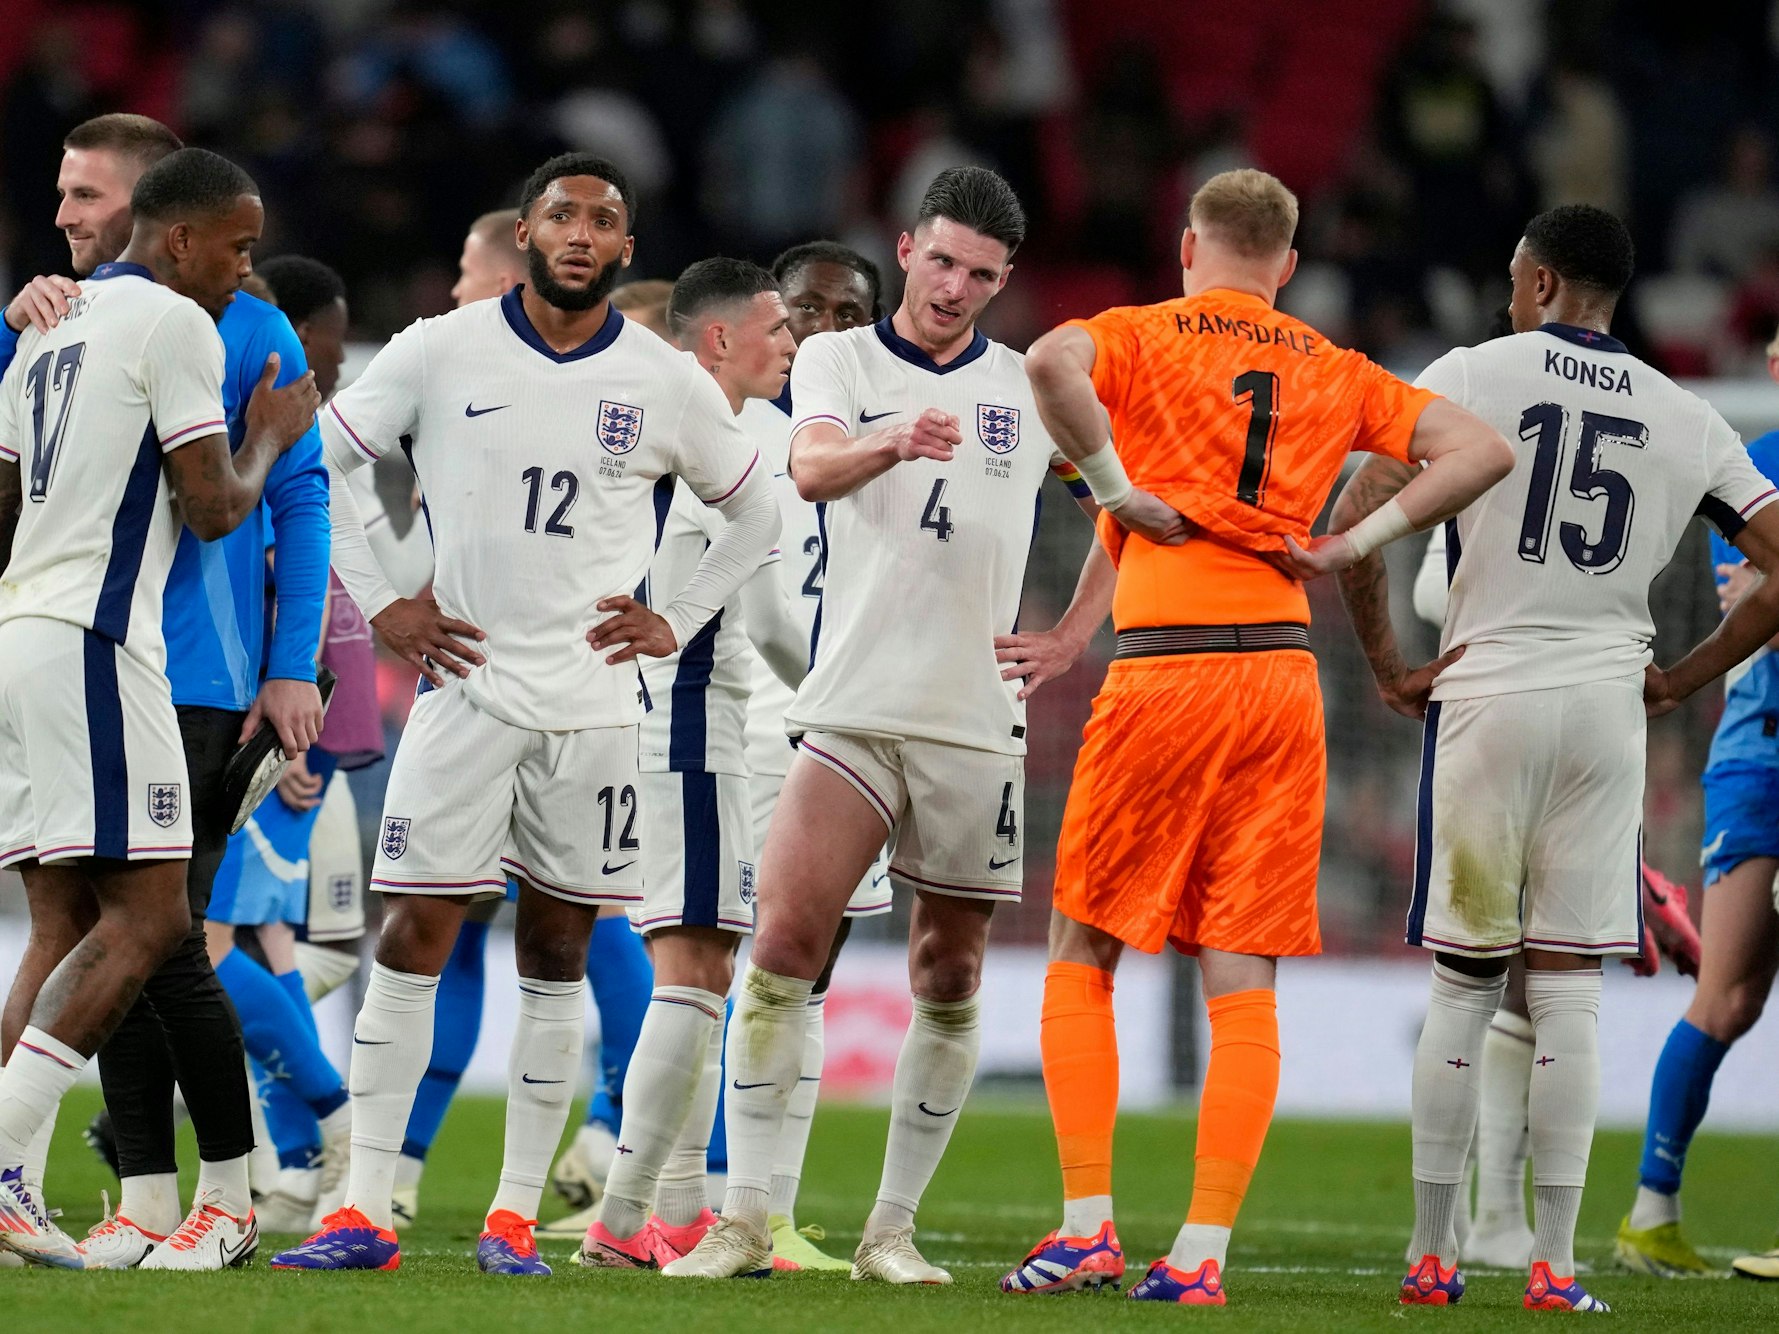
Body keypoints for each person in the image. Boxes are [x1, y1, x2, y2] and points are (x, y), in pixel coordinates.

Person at [1000, 167, 1513, 1307]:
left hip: (1166, 671)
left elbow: (1045, 364)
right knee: (1243, 973)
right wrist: (1347, 543)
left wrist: (1115, 486)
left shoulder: (1141, 332)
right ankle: (1201, 1254)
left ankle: (1086, 1229)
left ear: (1189, 247)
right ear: (1286, 264)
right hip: (1282, 679)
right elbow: (1482, 450)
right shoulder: (1334, 364)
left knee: (1083, 950)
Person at [270, 152, 779, 1277]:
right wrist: (382, 601)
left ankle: (509, 1218)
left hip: (595, 710)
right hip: (466, 691)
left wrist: (675, 617)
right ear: (529, 234)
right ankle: (363, 1210)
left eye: (603, 219)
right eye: (562, 215)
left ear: (626, 247)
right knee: (413, 932)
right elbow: (318, 459)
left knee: (558, 947)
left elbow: (756, 512)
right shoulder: (438, 349)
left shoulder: (661, 378)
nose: (581, 233)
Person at [667, 166, 1121, 1284]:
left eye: (982, 274)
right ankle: (742, 1219)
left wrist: (1071, 636)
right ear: (908, 248)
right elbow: (810, 464)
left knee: (949, 971)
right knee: (782, 945)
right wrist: (893, 442)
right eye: (943, 260)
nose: (955, 287)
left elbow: (1127, 510)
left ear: (1004, 280)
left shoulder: (1027, 386)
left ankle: (889, 1231)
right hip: (852, 706)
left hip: (975, 719)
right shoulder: (839, 358)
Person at [1330, 204, 1779, 1313]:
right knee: (1570, 989)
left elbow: (1358, 511)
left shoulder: (1471, 373)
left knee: (1464, 981)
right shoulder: (1687, 415)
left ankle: (1433, 1255)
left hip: (1488, 690)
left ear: (1535, 281)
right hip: (1606, 709)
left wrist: (1390, 665)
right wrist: (1685, 674)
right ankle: (1555, 1266)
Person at [0, 115, 331, 1273]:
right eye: (238, 248)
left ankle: (126, 1195)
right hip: (106, 645)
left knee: (91, 929)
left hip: (52, 642)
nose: (248, 271)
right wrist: (266, 432)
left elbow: (4, 508)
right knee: (153, 928)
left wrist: (288, 659)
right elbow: (217, 504)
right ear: (181, 235)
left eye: (84, 195)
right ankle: (83, 1168)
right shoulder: (168, 322)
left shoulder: (48, 332)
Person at [389, 207, 655, 1232]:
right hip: (475, 686)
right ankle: (399, 1165)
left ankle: (621, 1130)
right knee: (453, 926)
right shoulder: (454, 368)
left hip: (584, 698)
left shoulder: (620, 382)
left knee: (585, 922)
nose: (456, 288)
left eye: (466, 267)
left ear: (506, 268)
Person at [579, 257, 801, 1270]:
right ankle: (623, 1222)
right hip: (689, 726)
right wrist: (836, 703)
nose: (789, 343)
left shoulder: (635, 433)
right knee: (697, 970)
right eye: (775, 326)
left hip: (626, 725)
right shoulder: (718, 447)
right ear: (719, 338)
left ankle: (665, 1212)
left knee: (689, 971)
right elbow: (771, 623)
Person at [1616, 326, 1779, 1281]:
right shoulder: (1758, 469)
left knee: (1734, 996)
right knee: (1726, 995)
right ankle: (1651, 1210)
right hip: (1761, 754)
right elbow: (1756, 611)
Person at [741, 240, 888, 1271]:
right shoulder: (744, 434)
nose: (827, 330)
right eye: (808, 310)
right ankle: (694, 1200)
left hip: (850, 739)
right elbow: (759, 615)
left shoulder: (889, 440)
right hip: (761, 732)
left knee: (806, 982)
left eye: (850, 313)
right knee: (730, 976)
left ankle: (768, 1214)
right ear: (775, 317)